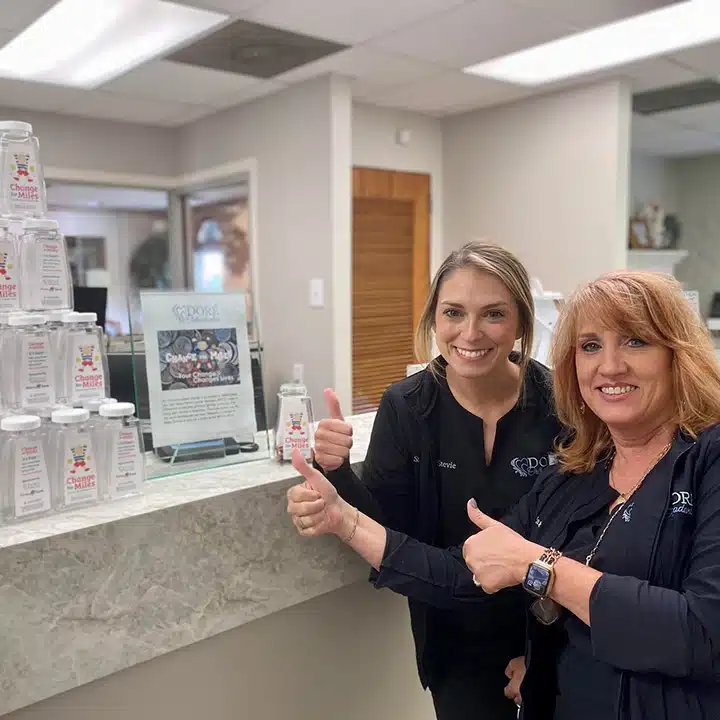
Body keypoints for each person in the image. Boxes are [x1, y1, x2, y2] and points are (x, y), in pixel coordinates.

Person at [288, 269, 720, 720]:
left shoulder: (707, 460)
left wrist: (540, 568)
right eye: (590, 346)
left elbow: (703, 633)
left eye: (635, 341)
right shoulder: (574, 475)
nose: (610, 366)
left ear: (678, 354)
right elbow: (462, 574)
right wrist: (344, 519)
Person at [288, 241, 563, 719]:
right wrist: (337, 475)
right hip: (451, 640)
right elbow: (389, 528)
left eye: (493, 314)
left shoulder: (561, 403)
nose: (470, 333)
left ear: (521, 322)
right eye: (453, 312)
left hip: (556, 637)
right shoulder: (407, 407)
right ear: (434, 319)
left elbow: (587, 540)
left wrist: (545, 656)